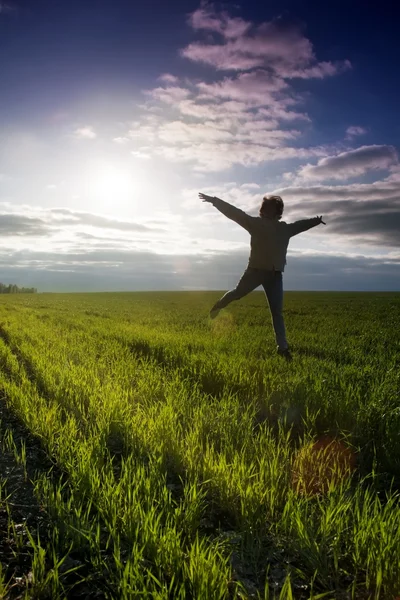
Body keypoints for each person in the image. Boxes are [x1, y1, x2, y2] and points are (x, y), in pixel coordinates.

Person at [199, 192, 326, 361]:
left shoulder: (284, 229)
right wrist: (215, 201)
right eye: (265, 207)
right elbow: (235, 213)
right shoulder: (255, 224)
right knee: (237, 293)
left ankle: (283, 348)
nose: (267, 210)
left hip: (275, 276)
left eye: (271, 208)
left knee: (277, 313)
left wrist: (316, 221)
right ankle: (219, 305)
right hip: (254, 272)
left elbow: (300, 225)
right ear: (262, 210)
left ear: (277, 211)